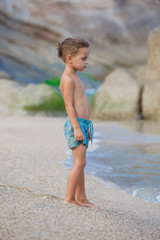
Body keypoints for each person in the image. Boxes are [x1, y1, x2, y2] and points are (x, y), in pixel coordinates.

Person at [58, 37, 99, 210]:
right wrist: (76, 127)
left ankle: (81, 198)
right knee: (79, 163)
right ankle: (69, 198)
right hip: (75, 125)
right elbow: (69, 105)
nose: (86, 62)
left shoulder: (75, 76)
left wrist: (85, 126)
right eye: (83, 58)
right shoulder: (67, 78)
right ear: (69, 58)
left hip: (82, 124)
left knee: (82, 162)